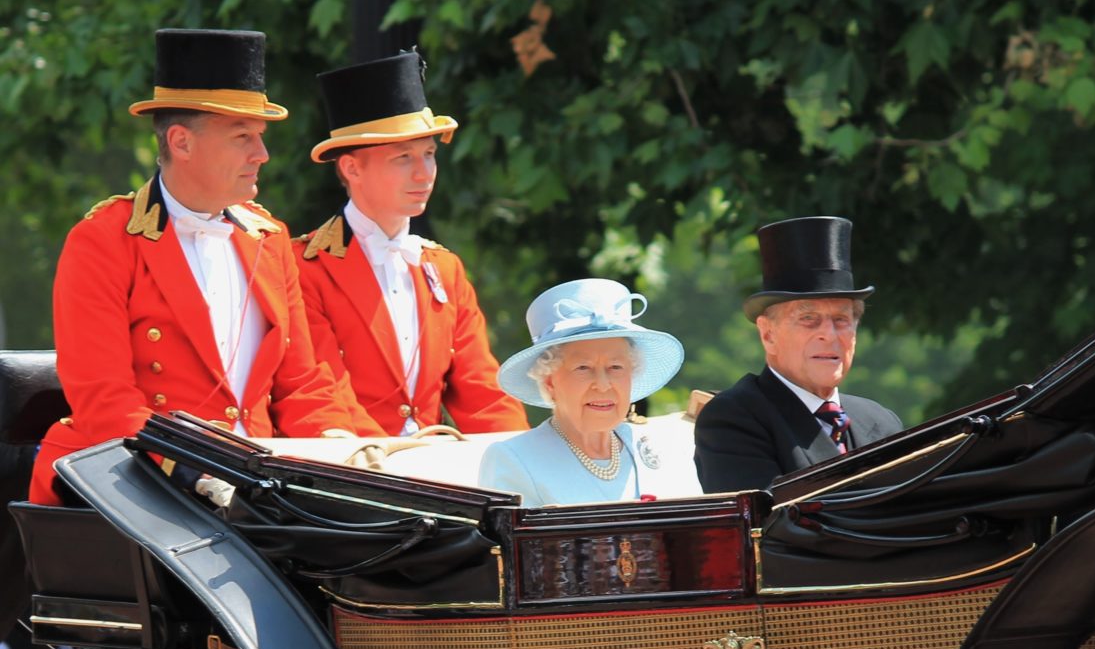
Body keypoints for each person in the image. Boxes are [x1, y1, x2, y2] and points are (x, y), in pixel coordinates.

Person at [29, 28, 356, 506]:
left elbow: (302, 382)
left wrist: (338, 450)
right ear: (180, 141)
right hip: (142, 484)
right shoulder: (103, 239)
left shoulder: (269, 237)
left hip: (259, 489)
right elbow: (105, 401)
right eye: (243, 136)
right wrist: (199, 472)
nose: (261, 155)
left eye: (260, 137)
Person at [295, 50, 528, 436]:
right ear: (351, 168)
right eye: (403, 157)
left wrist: (521, 465)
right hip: (354, 471)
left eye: (430, 154)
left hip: (433, 475)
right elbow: (323, 393)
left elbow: (483, 393)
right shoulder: (304, 267)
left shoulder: (444, 268)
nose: (424, 173)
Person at [694, 216, 902, 492]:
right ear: (768, 334)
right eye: (809, 319)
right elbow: (772, 528)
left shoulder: (880, 421)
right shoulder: (733, 419)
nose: (829, 334)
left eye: (841, 319)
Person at [478, 278, 689, 505]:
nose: (603, 384)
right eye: (583, 368)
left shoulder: (664, 449)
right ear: (550, 382)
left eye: (615, 367)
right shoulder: (513, 459)